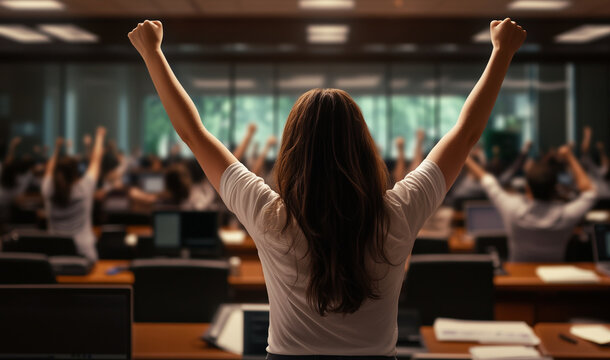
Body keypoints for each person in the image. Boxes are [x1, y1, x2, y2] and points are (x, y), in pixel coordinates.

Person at [128, 17, 525, 357]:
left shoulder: (269, 215)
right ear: (363, 147)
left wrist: (152, 53)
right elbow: (467, 133)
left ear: (292, 151)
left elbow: (194, 135)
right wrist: (501, 51)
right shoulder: (398, 212)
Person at [464, 144, 596, 262]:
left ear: (527, 189)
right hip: (554, 286)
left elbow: (487, 180)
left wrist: (465, 156)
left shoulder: (512, 209)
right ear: (555, 188)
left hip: (518, 283)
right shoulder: (567, 215)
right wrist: (570, 156)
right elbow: (590, 192)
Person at [41, 127, 106, 262]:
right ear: (76, 173)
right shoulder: (84, 188)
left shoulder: (48, 189)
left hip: (54, 256)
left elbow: (49, 168)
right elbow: (96, 160)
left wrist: (57, 148)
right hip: (85, 256)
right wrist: (99, 137)